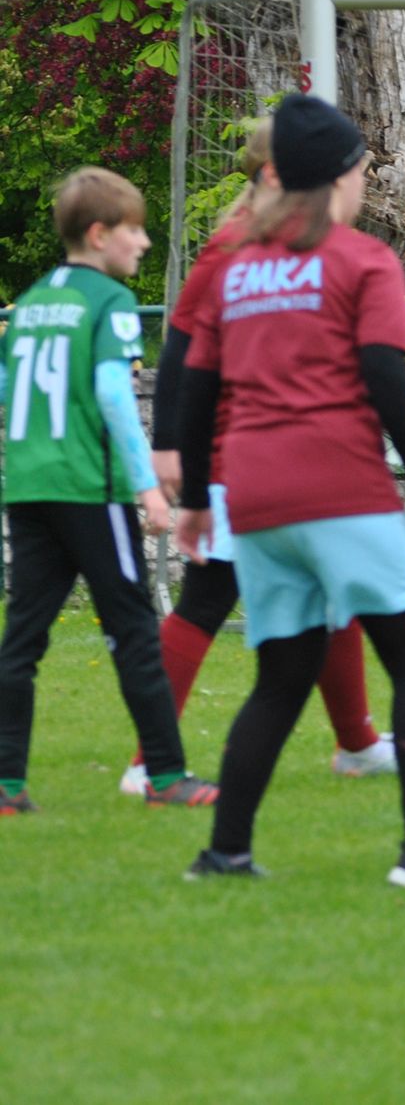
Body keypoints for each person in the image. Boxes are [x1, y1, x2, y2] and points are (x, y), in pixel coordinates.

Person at [176, 93, 405, 886]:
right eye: (361, 170)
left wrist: (193, 501)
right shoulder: (361, 260)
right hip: (338, 488)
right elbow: (384, 375)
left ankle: (226, 853)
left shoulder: (238, 267)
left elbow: (195, 387)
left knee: (282, 676)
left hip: (250, 498)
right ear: (337, 180)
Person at [135, 118, 395, 797]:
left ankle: (358, 742)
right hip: (233, 454)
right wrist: (169, 448)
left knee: (328, 594)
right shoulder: (235, 246)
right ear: (279, 176)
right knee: (206, 602)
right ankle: (148, 761)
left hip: (260, 453)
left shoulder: (276, 241)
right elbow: (182, 350)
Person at [0, 167, 220, 813]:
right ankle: (165, 775)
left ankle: (7, 784)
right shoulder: (109, 303)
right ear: (99, 235)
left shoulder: (32, 299)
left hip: (28, 485)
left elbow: (12, 393)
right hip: (88, 492)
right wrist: (147, 487)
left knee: (22, 639)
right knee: (134, 631)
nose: (145, 242)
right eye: (134, 229)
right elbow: (112, 397)